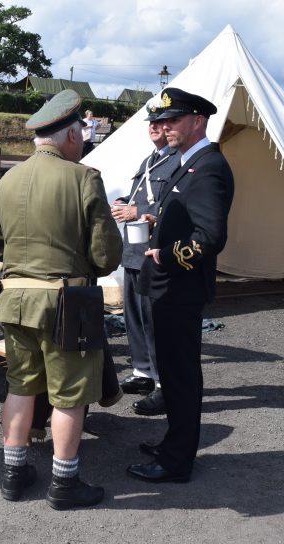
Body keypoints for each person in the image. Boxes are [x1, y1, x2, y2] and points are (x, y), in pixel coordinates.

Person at [0, 89, 122, 510]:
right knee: (70, 394)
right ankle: (64, 483)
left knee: (19, 387)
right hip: (67, 305)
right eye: (80, 131)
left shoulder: (8, 178)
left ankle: (13, 472)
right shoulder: (84, 178)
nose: (82, 138)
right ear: (70, 136)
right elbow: (106, 255)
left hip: (14, 302)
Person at [128, 87, 234, 483]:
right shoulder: (185, 162)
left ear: (197, 121)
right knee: (172, 374)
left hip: (180, 287)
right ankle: (174, 442)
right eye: (163, 121)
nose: (165, 127)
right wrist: (157, 223)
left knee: (181, 375)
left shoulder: (207, 166)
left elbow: (210, 237)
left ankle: (176, 462)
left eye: (173, 120)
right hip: (167, 288)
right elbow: (181, 213)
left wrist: (168, 255)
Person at [111, 97, 181, 416]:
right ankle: (143, 372)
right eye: (151, 123)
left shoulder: (180, 161)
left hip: (155, 252)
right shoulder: (149, 160)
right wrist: (124, 202)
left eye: (161, 122)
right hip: (134, 250)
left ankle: (165, 384)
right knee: (133, 317)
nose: (154, 127)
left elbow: (175, 209)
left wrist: (137, 210)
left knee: (156, 321)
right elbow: (140, 195)